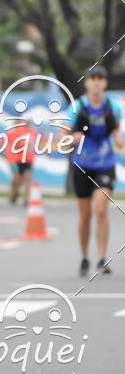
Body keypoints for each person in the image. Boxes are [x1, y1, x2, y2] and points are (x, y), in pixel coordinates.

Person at [66, 66, 122, 276]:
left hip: (105, 164)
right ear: (87, 83)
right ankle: (84, 257)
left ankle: (101, 257)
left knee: (100, 209)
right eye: (93, 79)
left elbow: (116, 126)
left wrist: (117, 136)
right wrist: (73, 138)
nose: (97, 83)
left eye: (101, 79)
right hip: (82, 164)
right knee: (86, 214)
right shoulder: (77, 107)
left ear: (105, 83)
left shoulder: (112, 106)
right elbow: (62, 135)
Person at [3, 117, 35, 205]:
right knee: (17, 178)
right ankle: (14, 193)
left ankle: (26, 198)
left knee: (27, 177)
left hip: (28, 159)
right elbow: (14, 145)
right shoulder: (16, 131)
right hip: (16, 159)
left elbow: (33, 144)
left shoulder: (32, 131)